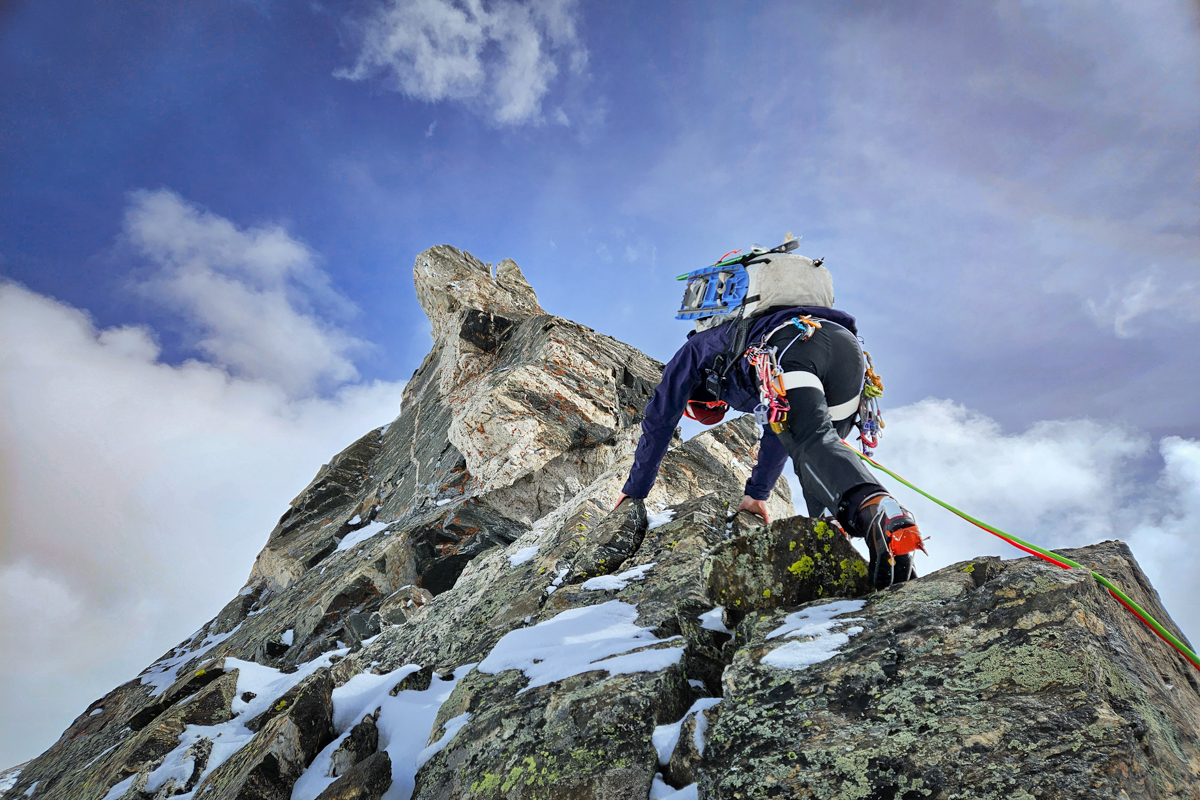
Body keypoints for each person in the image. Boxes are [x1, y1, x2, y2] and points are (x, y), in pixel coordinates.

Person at [614, 249, 923, 589]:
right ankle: (888, 553)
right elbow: (779, 434)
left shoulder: (697, 348)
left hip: (791, 346)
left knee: (810, 441)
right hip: (848, 354)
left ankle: (877, 506)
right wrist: (757, 494)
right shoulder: (742, 339)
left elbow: (658, 421)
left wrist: (635, 490)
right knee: (813, 460)